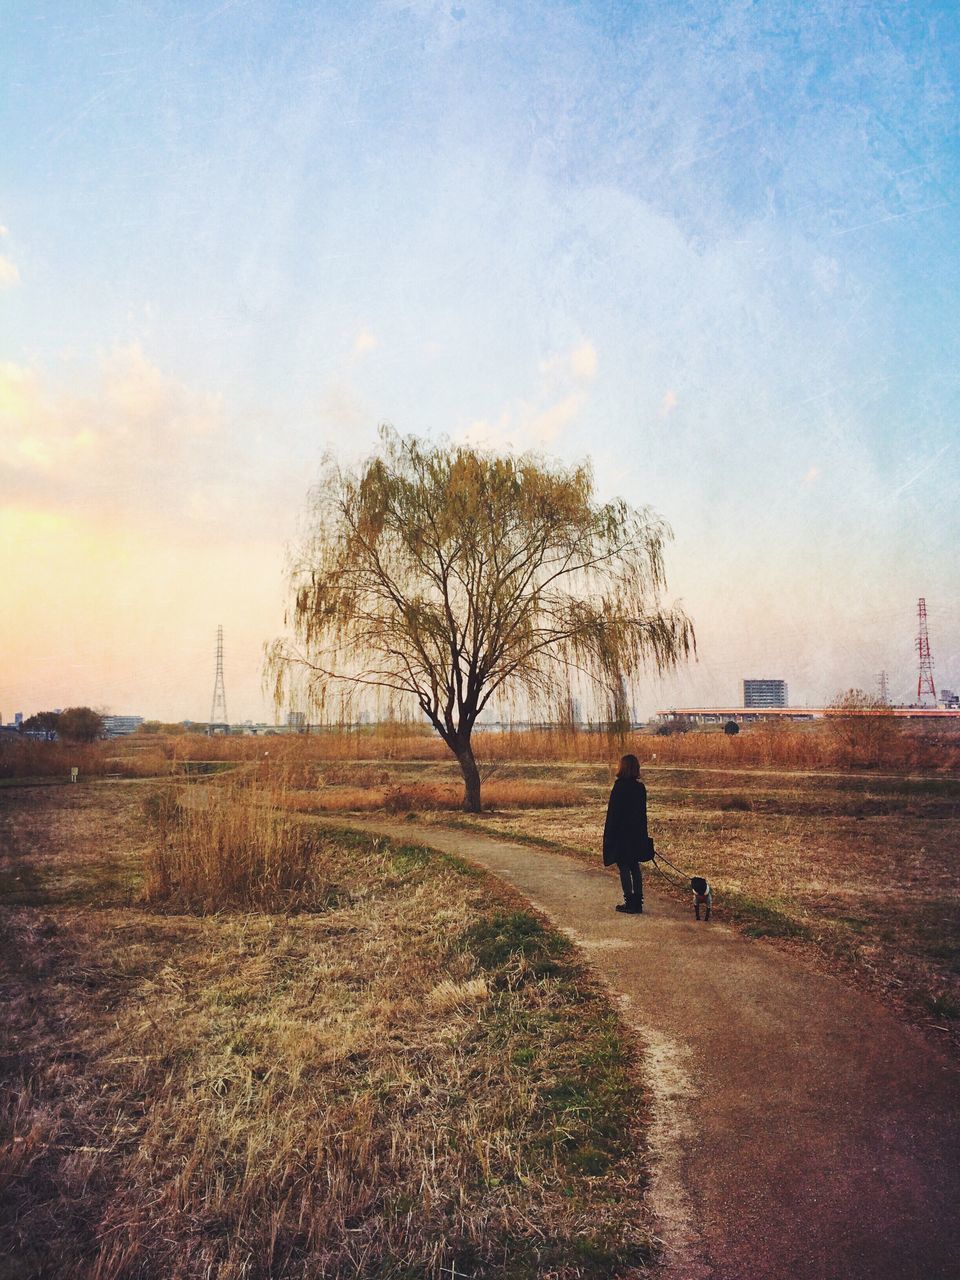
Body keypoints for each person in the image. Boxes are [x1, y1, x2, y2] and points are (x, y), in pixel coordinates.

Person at [603, 753, 651, 914]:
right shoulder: (640, 788)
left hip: (621, 835)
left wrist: (610, 835)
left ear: (622, 767)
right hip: (636, 834)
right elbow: (642, 814)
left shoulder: (619, 787)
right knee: (635, 866)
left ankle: (629, 901)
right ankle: (638, 902)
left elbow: (614, 814)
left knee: (623, 866)